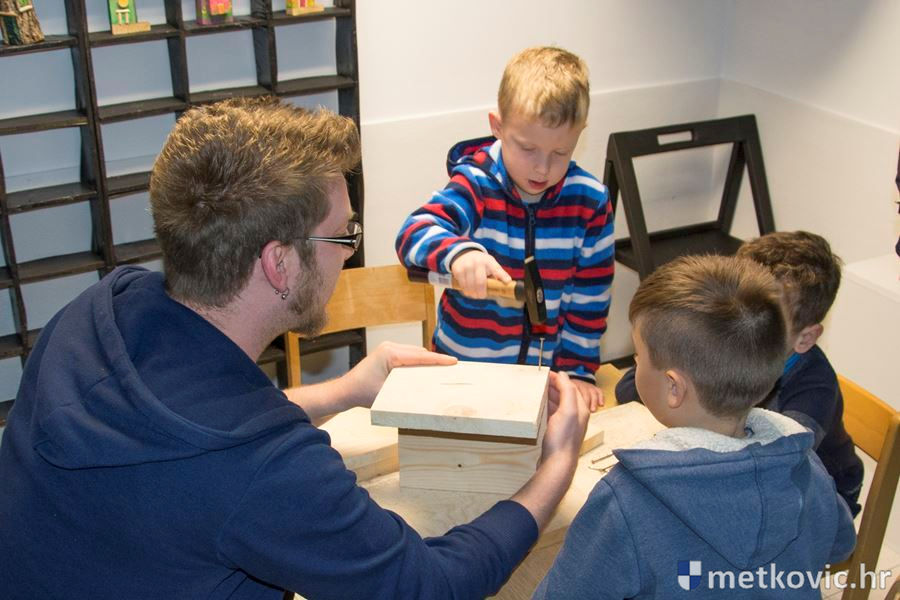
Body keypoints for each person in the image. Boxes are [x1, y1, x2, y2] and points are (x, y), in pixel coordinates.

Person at [0, 98, 589, 600]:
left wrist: (347, 390)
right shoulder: (265, 470)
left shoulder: (99, 309)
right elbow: (429, 586)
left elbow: (203, 428)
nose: (349, 254)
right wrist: (557, 465)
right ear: (279, 263)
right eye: (343, 235)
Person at [534, 255, 856, 599]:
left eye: (638, 356)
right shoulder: (805, 464)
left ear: (674, 387)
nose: (636, 363)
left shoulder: (625, 499)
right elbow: (841, 543)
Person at [395, 46, 614, 411]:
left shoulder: (589, 202)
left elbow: (589, 301)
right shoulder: (476, 183)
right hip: (461, 374)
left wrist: (577, 372)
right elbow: (414, 231)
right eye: (528, 148)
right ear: (497, 127)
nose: (542, 168)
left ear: (579, 134)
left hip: (540, 382)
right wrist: (460, 253)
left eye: (560, 153)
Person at [616, 231, 864, 516]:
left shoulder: (815, 388)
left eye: (769, 322)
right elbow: (628, 389)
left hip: (823, 495)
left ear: (805, 338)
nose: (743, 329)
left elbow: (777, 465)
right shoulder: (726, 353)